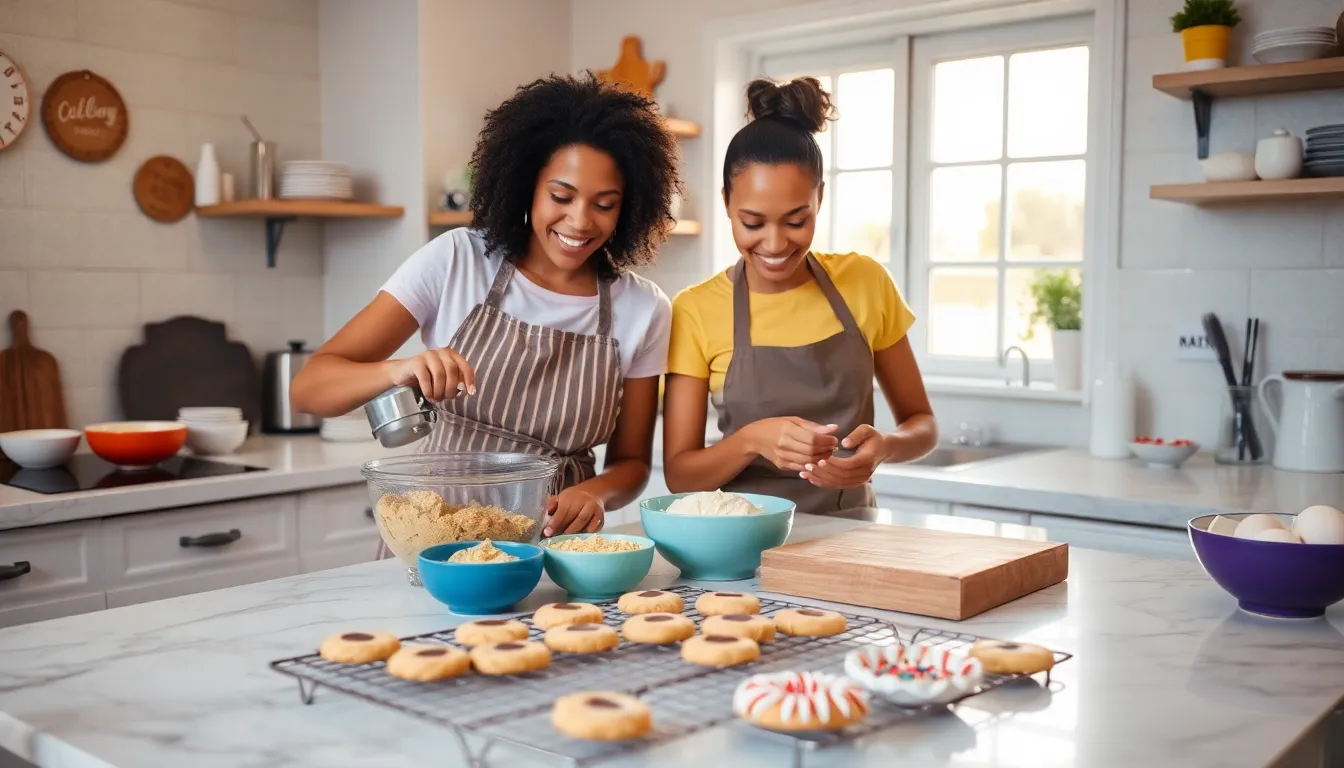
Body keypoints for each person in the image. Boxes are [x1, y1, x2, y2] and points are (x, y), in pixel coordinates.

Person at [292, 74, 682, 536]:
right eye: (561, 196)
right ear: (526, 187)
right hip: (436, 535)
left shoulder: (643, 308)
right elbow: (310, 388)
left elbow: (632, 462)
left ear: (629, 207)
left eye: (605, 204)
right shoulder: (457, 259)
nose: (579, 221)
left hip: (556, 543)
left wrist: (595, 492)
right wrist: (397, 370)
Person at [661, 77, 938, 516]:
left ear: (820, 199)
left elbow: (921, 425)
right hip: (743, 542)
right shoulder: (696, 309)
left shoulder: (865, 282)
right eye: (753, 222)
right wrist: (753, 439)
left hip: (851, 533)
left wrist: (885, 447)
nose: (774, 244)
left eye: (796, 220)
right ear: (727, 203)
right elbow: (680, 474)